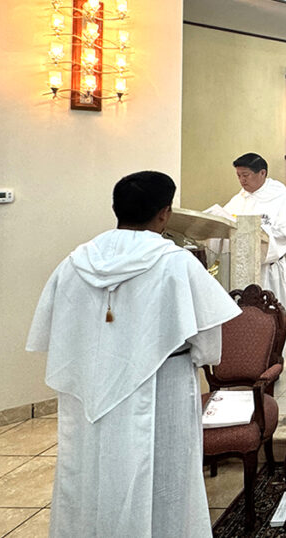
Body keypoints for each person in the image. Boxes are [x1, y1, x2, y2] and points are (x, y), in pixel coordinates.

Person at [26, 171, 241, 537]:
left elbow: (58, 330)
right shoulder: (176, 263)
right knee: (161, 478)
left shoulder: (75, 262)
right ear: (164, 213)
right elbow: (208, 345)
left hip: (89, 389)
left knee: (88, 473)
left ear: (118, 209)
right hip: (162, 389)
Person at [218, 153, 286, 352]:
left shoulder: (279, 195)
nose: (242, 181)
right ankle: (245, 358)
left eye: (246, 175)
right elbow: (224, 224)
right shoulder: (240, 198)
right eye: (238, 176)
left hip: (267, 270)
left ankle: (272, 358)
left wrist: (262, 235)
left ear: (262, 173)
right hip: (241, 271)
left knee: (269, 320)